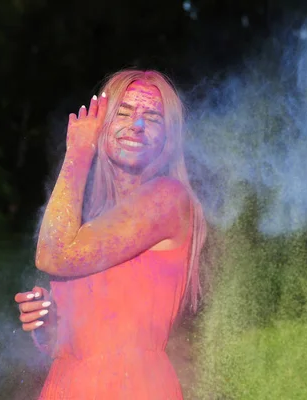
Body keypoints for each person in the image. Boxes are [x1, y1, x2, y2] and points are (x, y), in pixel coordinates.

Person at [15, 69, 206, 399]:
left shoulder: (167, 198)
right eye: (124, 111)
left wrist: (78, 150)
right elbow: (70, 341)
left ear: (169, 138)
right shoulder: (92, 217)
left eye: (152, 116)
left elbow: (52, 254)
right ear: (103, 123)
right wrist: (46, 320)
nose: (137, 125)